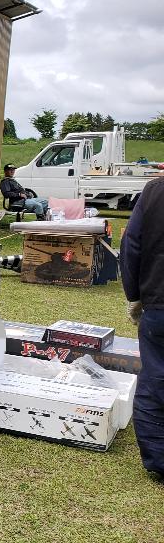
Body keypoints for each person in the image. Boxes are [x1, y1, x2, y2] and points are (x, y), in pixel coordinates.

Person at [121, 177, 164, 479]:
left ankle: (160, 461)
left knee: (156, 379)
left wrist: (135, 296)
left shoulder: (155, 191)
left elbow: (131, 245)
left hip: (159, 304)